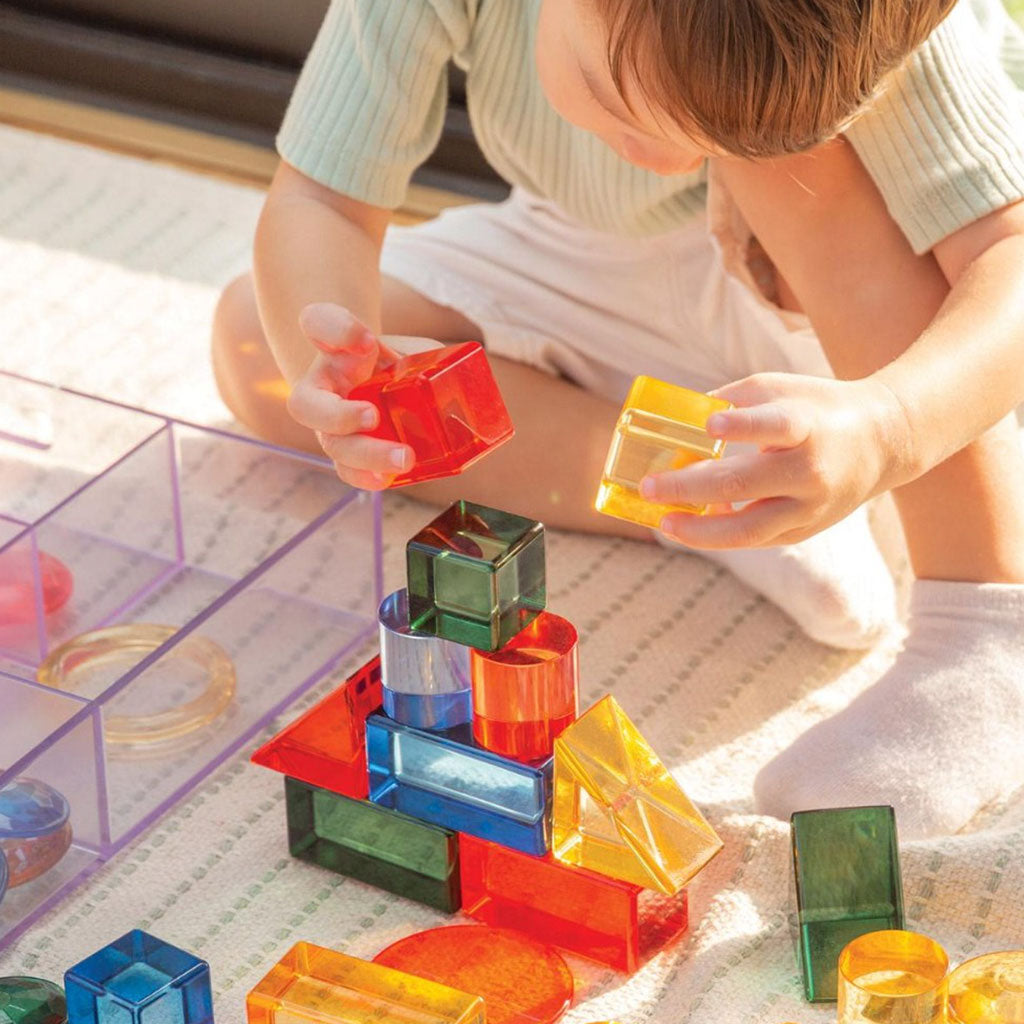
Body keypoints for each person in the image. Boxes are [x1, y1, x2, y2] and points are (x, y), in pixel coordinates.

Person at [211, 0, 1024, 837]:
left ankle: (988, 625)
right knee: (258, 343)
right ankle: (703, 491)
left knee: (769, 155)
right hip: (579, 251)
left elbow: (1009, 261)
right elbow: (323, 202)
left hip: (821, 303)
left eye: (683, 135)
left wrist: (890, 425)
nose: (669, 161)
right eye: (614, 98)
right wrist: (347, 366)